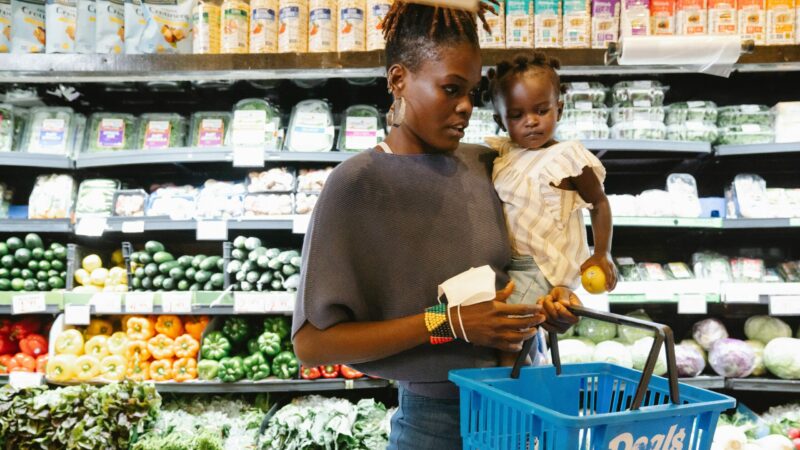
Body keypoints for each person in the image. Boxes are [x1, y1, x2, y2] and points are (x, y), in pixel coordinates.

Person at [292, 5, 581, 449]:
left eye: (471, 92)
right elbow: (313, 344)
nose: (465, 107)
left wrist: (549, 306)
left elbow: (523, 267)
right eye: (450, 89)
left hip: (526, 406)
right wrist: (449, 324)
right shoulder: (358, 183)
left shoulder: (487, 163)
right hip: (437, 425)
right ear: (398, 80)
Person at [484, 53, 618, 368]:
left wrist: (602, 253)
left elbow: (599, 203)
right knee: (511, 334)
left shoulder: (567, 157)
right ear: (500, 120)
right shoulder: (504, 155)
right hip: (510, 264)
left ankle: (513, 396)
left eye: (541, 110)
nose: (530, 120)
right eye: (516, 115)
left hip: (541, 265)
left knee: (508, 336)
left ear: (559, 108)